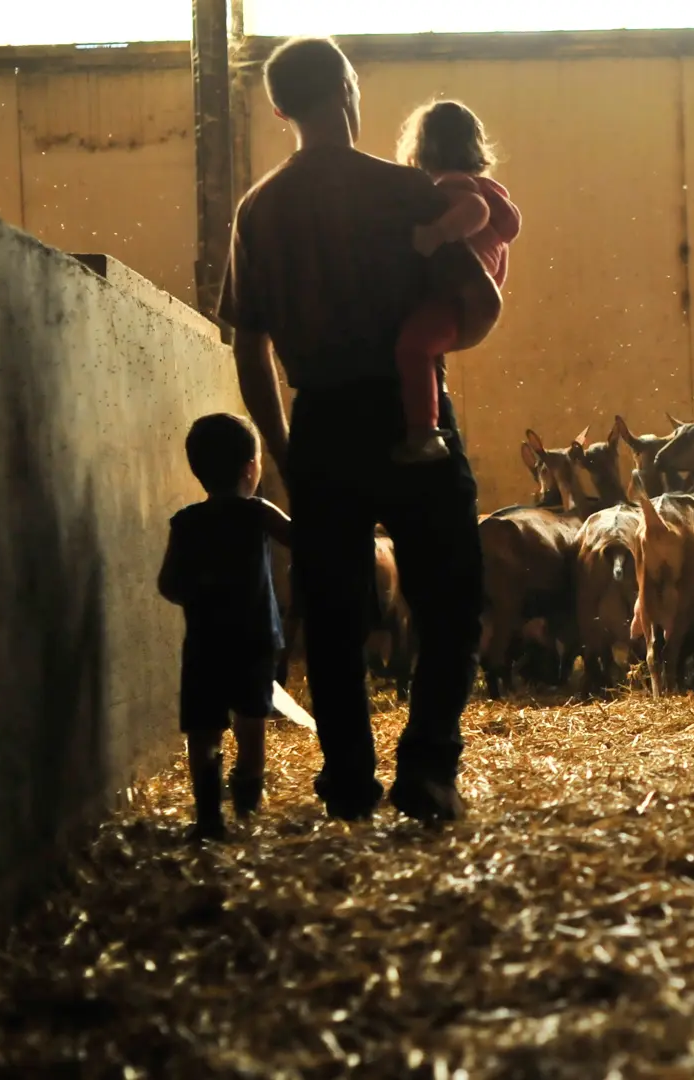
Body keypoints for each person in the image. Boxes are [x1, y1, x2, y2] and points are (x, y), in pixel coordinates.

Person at [219, 36, 486, 825]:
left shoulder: (259, 209)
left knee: (333, 614)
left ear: (278, 109)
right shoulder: (407, 193)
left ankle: (347, 784)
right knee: (451, 598)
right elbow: (473, 302)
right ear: (348, 89)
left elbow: (248, 342)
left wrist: (285, 452)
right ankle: (429, 770)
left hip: (324, 421)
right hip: (413, 415)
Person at [157, 414, 288, 841]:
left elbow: (169, 585)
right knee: (252, 725)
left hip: (204, 644)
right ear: (252, 467)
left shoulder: (186, 522)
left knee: (204, 729)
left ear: (197, 468)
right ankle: (248, 809)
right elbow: (302, 538)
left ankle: (209, 817)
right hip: (254, 641)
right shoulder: (257, 513)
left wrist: (203, 589)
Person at [392, 100, 521, 463]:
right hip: (470, 300)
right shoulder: (482, 187)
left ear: (422, 146)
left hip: (454, 300)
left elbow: (475, 212)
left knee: (412, 347)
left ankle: (424, 432)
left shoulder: (451, 186)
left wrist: (436, 234)